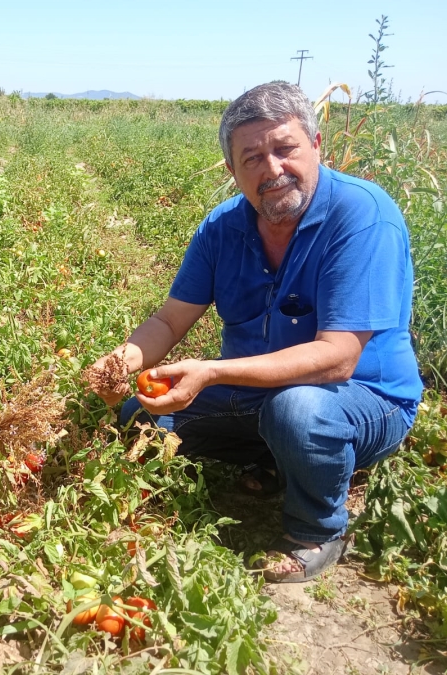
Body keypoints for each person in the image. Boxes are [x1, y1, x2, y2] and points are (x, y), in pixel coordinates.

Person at [86, 82, 422, 583]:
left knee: (299, 410)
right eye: (252, 158)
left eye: (285, 149)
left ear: (316, 145)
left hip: (361, 398)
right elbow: (170, 320)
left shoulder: (362, 217)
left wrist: (213, 371)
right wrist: (119, 364)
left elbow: (337, 358)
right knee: (140, 415)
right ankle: (279, 458)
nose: (272, 169)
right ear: (233, 171)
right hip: (254, 395)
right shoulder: (222, 228)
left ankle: (318, 529)